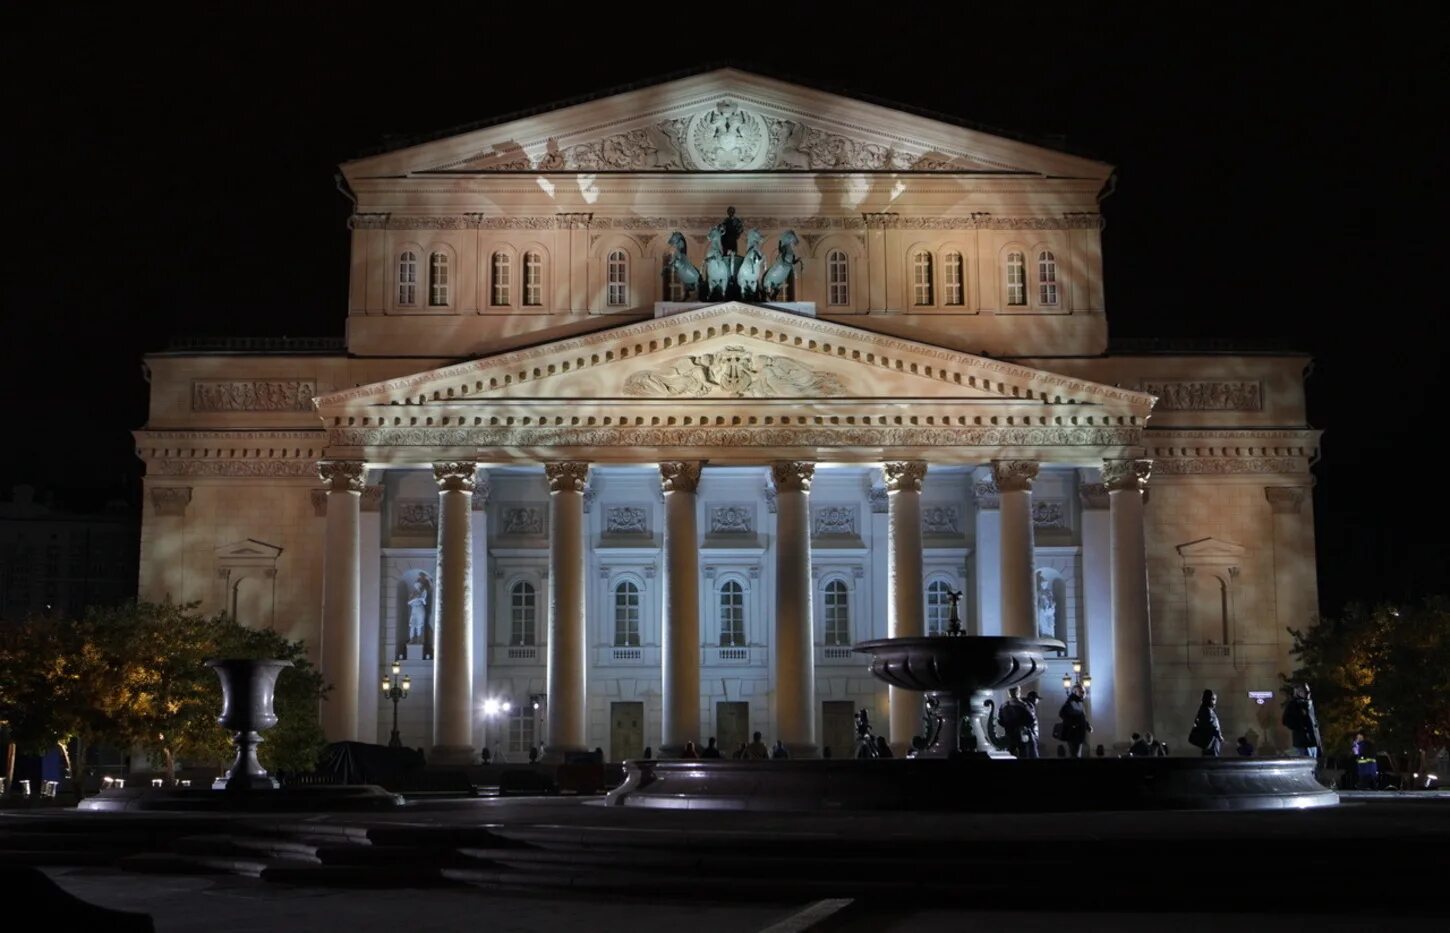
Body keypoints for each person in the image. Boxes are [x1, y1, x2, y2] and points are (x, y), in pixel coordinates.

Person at [1282, 684, 1323, 760]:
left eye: (1308, 691)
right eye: (1304, 691)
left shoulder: (1310, 704)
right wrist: (1299, 727)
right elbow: (1286, 720)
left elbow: (1314, 720)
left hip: (1313, 740)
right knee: (1306, 761)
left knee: (1314, 762)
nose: (1307, 694)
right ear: (1298, 692)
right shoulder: (1293, 705)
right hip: (1302, 741)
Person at [1057, 684, 1092, 758]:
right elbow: (1062, 714)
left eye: (1083, 692)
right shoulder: (1071, 702)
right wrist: (1073, 724)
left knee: (1076, 754)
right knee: (1075, 754)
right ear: (1075, 692)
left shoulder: (1079, 702)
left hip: (1079, 732)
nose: (1083, 693)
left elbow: (1082, 717)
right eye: (1081, 692)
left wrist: (1087, 726)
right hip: (1073, 733)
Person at [1190, 689, 1224, 757]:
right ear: (1209, 699)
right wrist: (1219, 736)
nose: (1215, 702)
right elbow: (1210, 725)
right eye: (1213, 699)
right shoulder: (1207, 711)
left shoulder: (1205, 710)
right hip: (1210, 741)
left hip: (1209, 741)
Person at [1000, 687, 1030, 757]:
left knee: (1010, 752)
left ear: (1009, 693)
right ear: (1018, 692)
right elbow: (1030, 719)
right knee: (1023, 752)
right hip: (1020, 733)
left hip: (1008, 733)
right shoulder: (1023, 705)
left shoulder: (1003, 705)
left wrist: (1007, 725)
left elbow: (1000, 720)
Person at [1021, 690, 1041, 759]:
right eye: (1037, 698)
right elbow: (1032, 721)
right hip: (1030, 734)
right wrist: (1034, 735)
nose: (1038, 701)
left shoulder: (1026, 705)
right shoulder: (1029, 706)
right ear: (1032, 698)